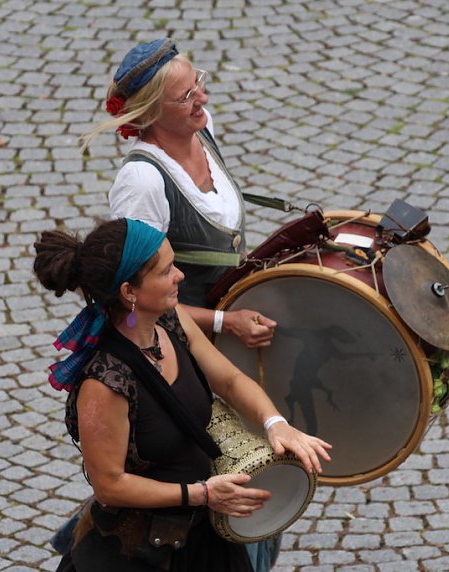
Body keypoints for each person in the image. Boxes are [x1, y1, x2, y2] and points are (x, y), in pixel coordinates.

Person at [34, 218, 332, 572]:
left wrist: (276, 423)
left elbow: (231, 381)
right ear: (130, 292)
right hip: (140, 551)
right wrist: (203, 494)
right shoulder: (105, 382)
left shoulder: (170, 321)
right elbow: (109, 486)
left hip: (205, 534)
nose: (180, 276)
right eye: (165, 271)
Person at [81, 38, 277, 351]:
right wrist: (224, 321)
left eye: (198, 82)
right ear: (150, 113)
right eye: (186, 96)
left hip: (230, 319)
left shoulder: (201, 126)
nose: (203, 97)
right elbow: (139, 301)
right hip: (181, 345)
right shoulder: (142, 182)